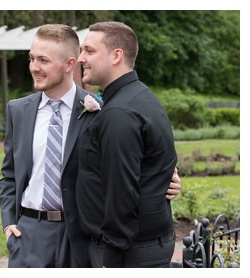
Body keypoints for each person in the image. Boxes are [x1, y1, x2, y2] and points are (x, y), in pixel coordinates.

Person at [75, 21, 177, 268]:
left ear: (116, 55)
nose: (80, 58)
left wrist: (109, 255)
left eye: (89, 51)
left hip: (128, 254)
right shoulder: (141, 96)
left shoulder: (120, 112)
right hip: (146, 244)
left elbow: (121, 192)